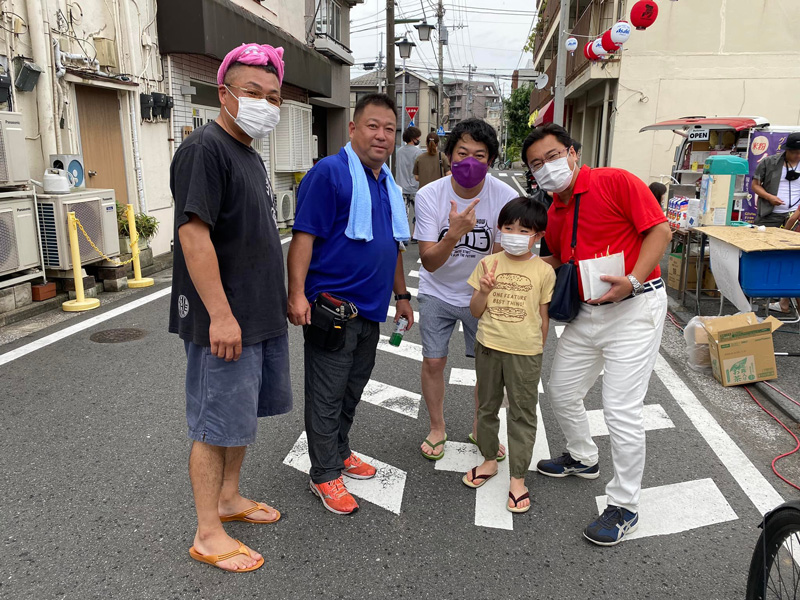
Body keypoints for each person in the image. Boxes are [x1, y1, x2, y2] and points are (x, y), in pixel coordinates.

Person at [169, 43, 291, 573]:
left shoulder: (247, 152)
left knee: (240, 418)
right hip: (227, 318)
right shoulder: (206, 148)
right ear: (224, 93)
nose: (265, 103)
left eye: (272, 95)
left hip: (258, 314)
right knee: (214, 422)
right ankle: (207, 531)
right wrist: (219, 313)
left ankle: (229, 498)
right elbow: (193, 234)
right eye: (252, 93)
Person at [523, 123, 672, 546]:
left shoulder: (615, 181)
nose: (546, 168)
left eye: (552, 156)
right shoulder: (552, 209)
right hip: (586, 313)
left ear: (572, 153)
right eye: (536, 164)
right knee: (562, 389)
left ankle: (625, 505)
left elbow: (659, 230)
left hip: (635, 308)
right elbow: (559, 256)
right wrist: (517, 261)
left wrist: (634, 279)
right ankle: (583, 457)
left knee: (621, 408)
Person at [287, 93, 414, 515]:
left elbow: (393, 245)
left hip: (371, 310)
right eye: (373, 126)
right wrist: (296, 294)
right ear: (353, 129)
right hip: (331, 308)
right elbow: (303, 237)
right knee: (326, 394)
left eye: (390, 129)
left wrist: (402, 294)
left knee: (351, 390)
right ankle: (323, 474)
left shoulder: (386, 183)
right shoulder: (331, 172)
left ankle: (339, 451)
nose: (382, 135)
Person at [414, 118, 518, 461]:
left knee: (486, 369)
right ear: (448, 156)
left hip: (482, 294)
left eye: (480, 154)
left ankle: (480, 427)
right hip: (437, 291)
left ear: (490, 160)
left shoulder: (506, 197)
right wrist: (455, 233)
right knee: (433, 361)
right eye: (462, 152)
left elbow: (503, 257)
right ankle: (437, 427)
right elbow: (429, 262)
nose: (470, 161)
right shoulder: (431, 196)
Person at [462, 197, 555, 514]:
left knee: (522, 414)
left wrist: (537, 350)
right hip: (488, 346)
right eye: (508, 227)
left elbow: (543, 318)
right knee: (486, 408)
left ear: (538, 235)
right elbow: (475, 311)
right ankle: (490, 460)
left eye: (524, 229)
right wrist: (485, 291)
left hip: (525, 353)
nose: (514, 233)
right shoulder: (488, 264)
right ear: (499, 229)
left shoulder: (544, 271)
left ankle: (518, 478)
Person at [753, 132, 800, 313]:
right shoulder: (770, 162)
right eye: (794, 152)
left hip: (795, 217)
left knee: (790, 257)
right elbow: (755, 185)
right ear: (786, 150)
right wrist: (769, 197)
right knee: (766, 253)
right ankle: (764, 292)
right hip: (770, 215)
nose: (797, 155)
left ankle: (783, 299)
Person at [396, 126, 423, 241]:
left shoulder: (399, 151)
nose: (419, 139)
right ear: (413, 138)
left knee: (403, 214)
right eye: (418, 137)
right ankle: (415, 235)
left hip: (401, 186)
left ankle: (404, 237)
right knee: (419, 214)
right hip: (416, 187)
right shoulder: (419, 152)